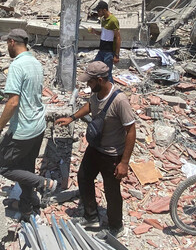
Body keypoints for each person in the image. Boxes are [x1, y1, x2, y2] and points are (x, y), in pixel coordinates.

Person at [56, 61, 136, 237]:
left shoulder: (120, 100)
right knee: (83, 177)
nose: (87, 85)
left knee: (111, 191)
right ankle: (91, 216)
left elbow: (131, 131)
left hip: (112, 154)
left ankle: (116, 227)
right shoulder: (97, 93)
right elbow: (91, 106)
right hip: (95, 148)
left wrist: (124, 162)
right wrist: (72, 118)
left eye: (90, 81)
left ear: (100, 80)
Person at [0, 29, 56, 221]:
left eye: (7, 44)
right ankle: (29, 205)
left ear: (12, 42)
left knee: (2, 166)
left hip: (22, 129)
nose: (7, 47)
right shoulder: (35, 62)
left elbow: (13, 102)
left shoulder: (17, 66)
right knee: (25, 169)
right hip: (38, 125)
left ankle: (42, 183)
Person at [88, 1, 121, 83]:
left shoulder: (113, 21)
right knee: (95, 68)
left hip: (109, 52)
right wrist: (95, 32)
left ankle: (111, 92)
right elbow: (104, 33)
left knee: (107, 74)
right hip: (101, 50)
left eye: (99, 11)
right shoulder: (103, 20)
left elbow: (118, 37)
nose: (98, 13)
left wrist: (116, 55)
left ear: (104, 10)